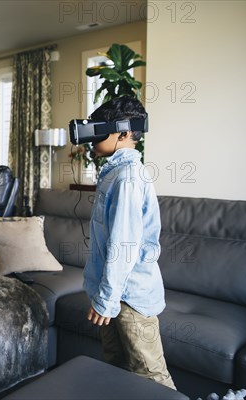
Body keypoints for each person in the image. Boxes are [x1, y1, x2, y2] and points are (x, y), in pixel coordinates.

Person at [83, 96, 176, 389]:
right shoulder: (113, 173)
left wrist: (107, 300)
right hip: (111, 294)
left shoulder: (128, 177)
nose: (92, 139)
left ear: (123, 134)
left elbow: (124, 246)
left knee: (150, 377)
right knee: (117, 370)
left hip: (129, 297)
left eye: (101, 130)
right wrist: (104, 296)